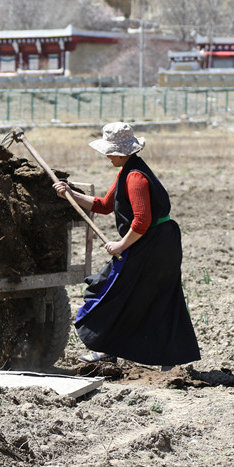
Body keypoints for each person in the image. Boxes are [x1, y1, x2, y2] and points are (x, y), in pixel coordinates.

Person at [52, 122, 200, 370]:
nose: (107, 156)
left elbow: (142, 221)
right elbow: (104, 205)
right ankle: (162, 358)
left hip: (153, 245)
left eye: (110, 152)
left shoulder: (135, 177)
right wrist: (70, 193)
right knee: (146, 297)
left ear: (121, 153)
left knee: (108, 291)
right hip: (157, 242)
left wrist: (121, 245)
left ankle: (107, 349)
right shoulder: (128, 171)